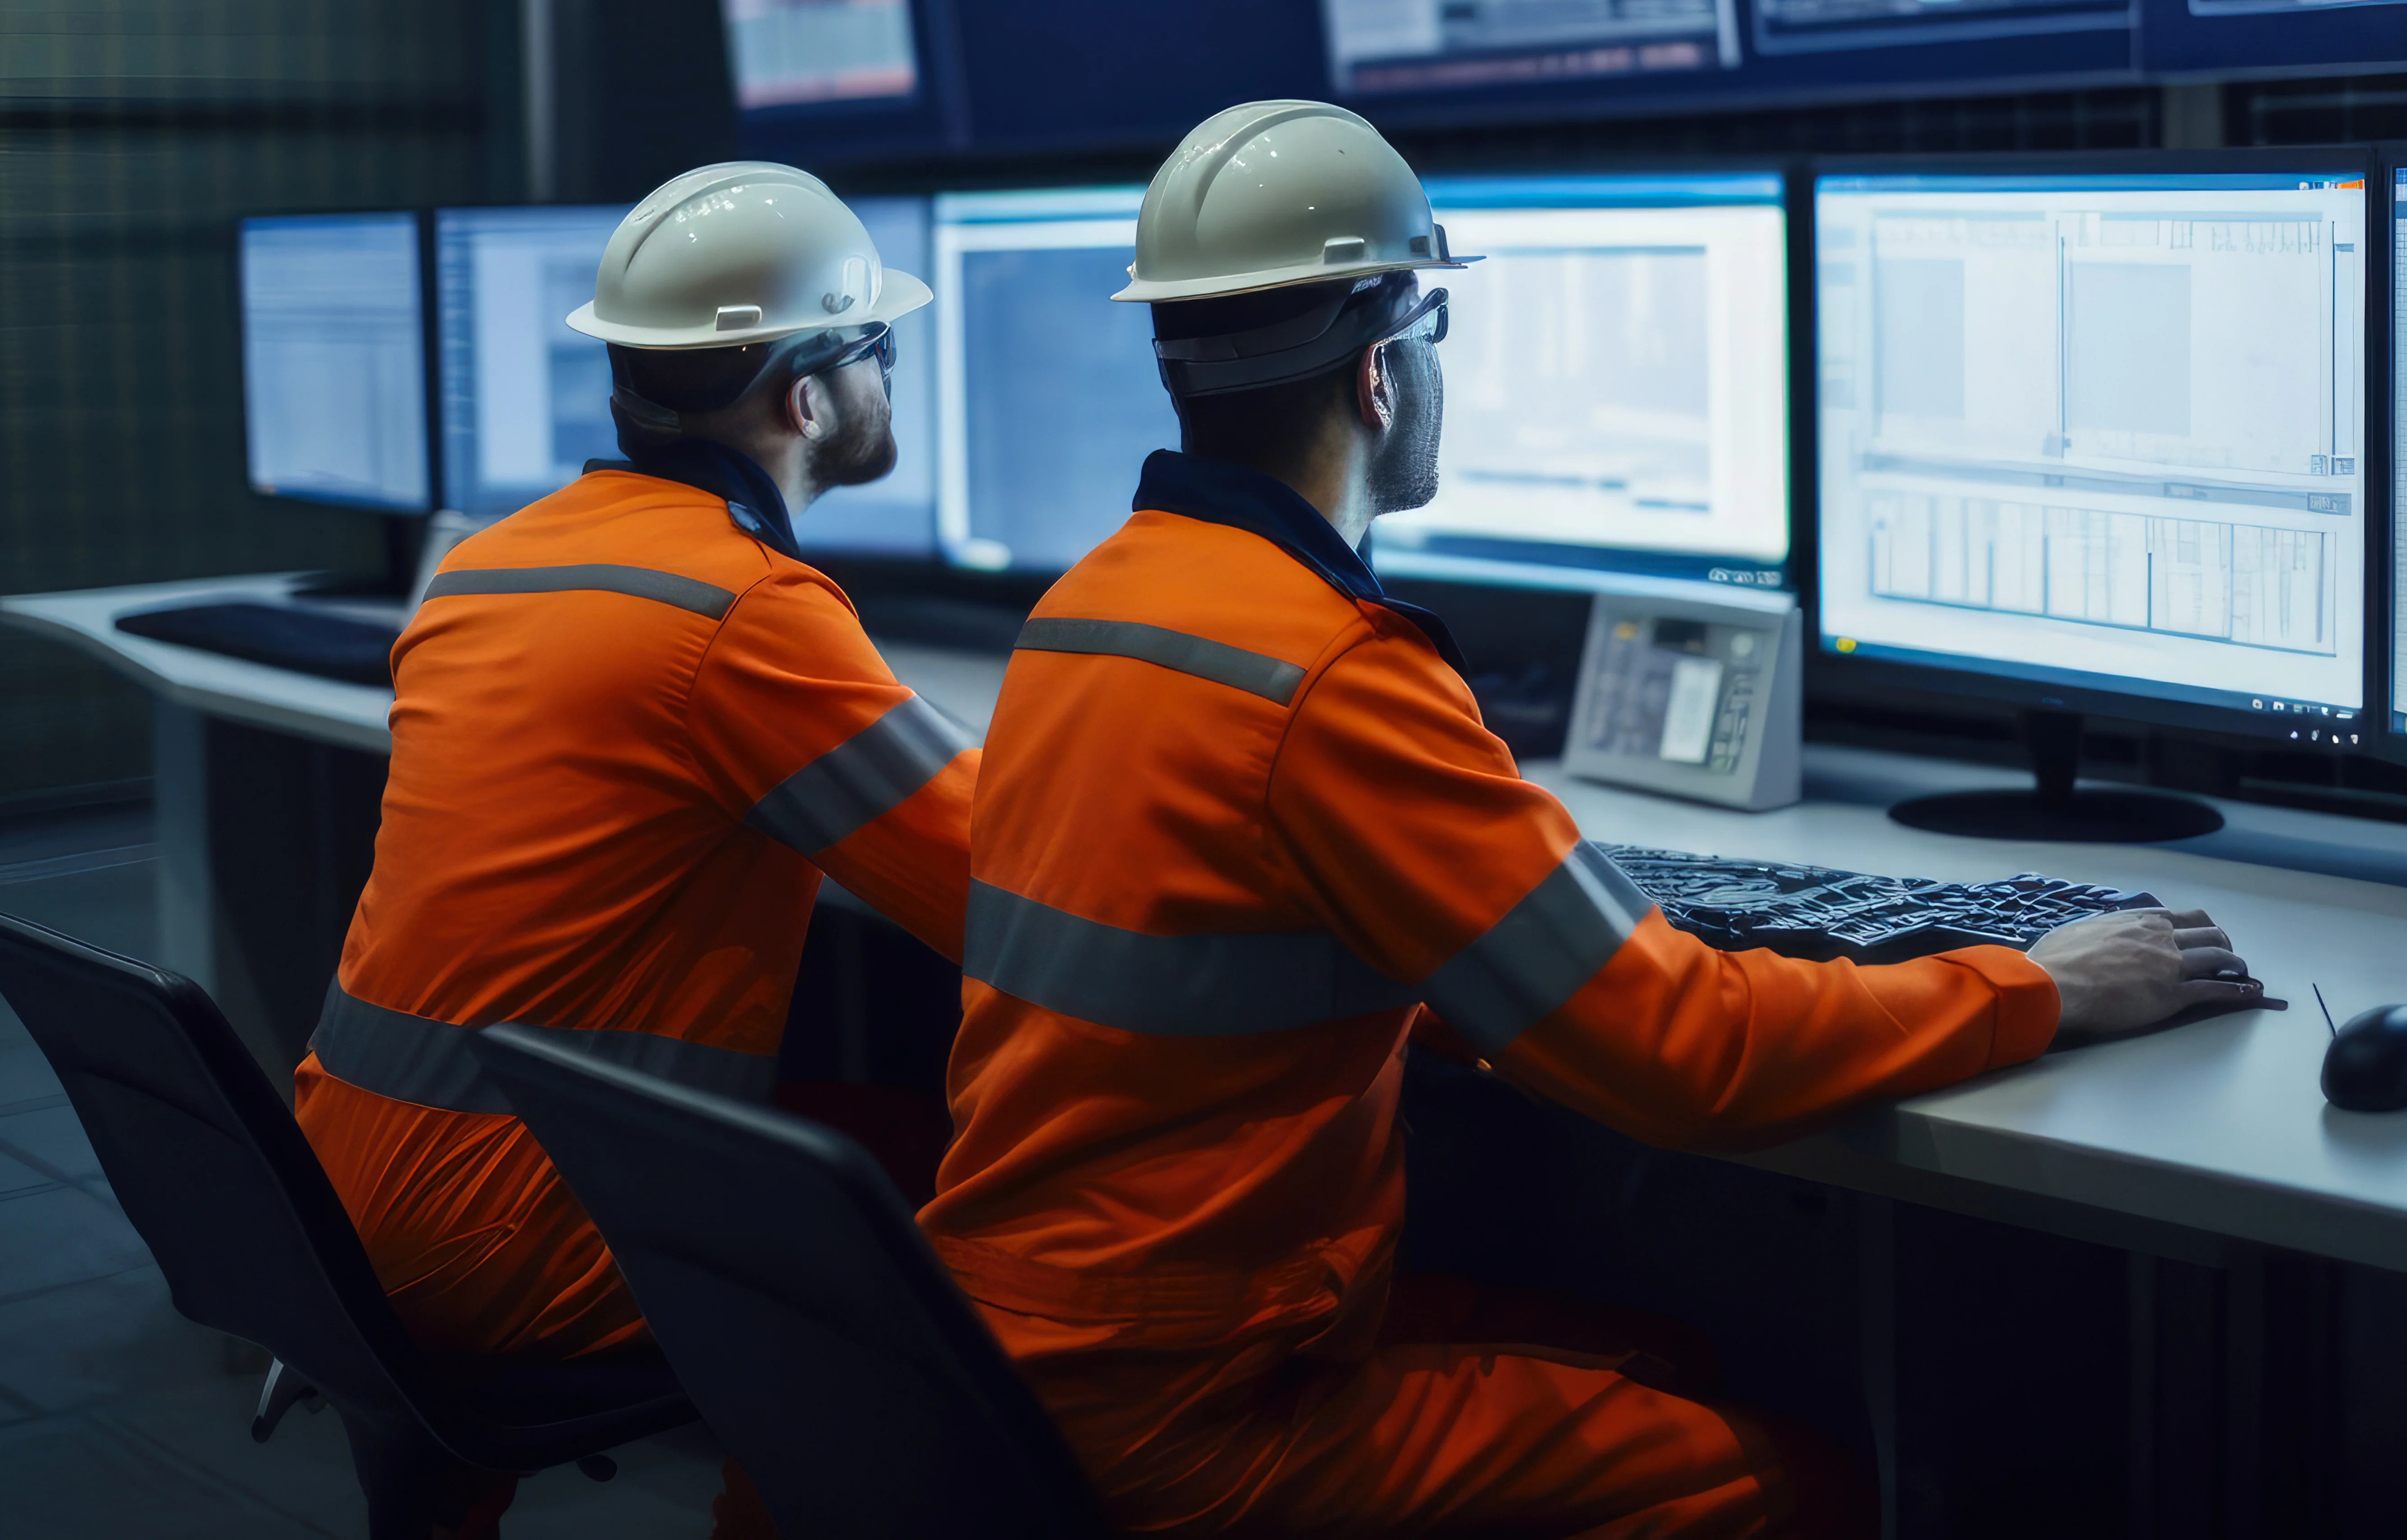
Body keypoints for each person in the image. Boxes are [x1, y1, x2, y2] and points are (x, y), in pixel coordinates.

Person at [923, 100, 2261, 1539]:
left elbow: (1223, 954)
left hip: (986, 1360)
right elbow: (1688, 1057)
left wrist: (1465, 986)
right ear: (1383, 374)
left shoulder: (1088, 613)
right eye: (1436, 328)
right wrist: (2037, 988)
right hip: (1188, 1424)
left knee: (1659, 1357)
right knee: (1787, 1485)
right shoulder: (1330, 672)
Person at [296, 162, 977, 1533]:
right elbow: (1017, 895)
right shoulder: (747, 612)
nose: (890, 384)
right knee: (966, 1172)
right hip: (527, 1239)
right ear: (807, 399)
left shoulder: (483, 567)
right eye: (878, 351)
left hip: (327, 1208)